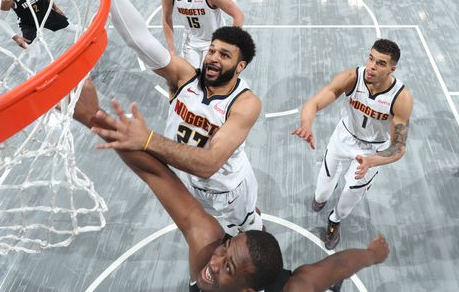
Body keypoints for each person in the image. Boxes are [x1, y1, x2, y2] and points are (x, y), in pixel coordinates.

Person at [72, 78, 391, 291]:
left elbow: (338, 265)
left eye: (227, 266)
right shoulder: (208, 245)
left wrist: (371, 256)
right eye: (225, 251)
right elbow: (159, 175)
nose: (212, 263)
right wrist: (94, 119)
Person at [48, 0, 263, 235]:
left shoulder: (246, 103)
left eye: (224, 55)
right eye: (212, 50)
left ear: (240, 66)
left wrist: (148, 140)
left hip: (229, 189)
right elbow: (139, 39)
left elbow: (210, 162)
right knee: (203, 228)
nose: (212, 58)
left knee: (248, 231)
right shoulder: (185, 76)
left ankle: (254, 224)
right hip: (188, 179)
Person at [292, 39, 413, 249]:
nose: (372, 66)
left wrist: (372, 160)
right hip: (344, 137)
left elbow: (399, 147)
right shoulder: (352, 77)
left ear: (392, 69)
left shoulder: (401, 98)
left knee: (351, 194)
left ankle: (335, 221)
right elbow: (314, 102)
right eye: (371, 58)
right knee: (321, 191)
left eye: (380, 63)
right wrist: (306, 124)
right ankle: (324, 197)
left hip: (372, 149)